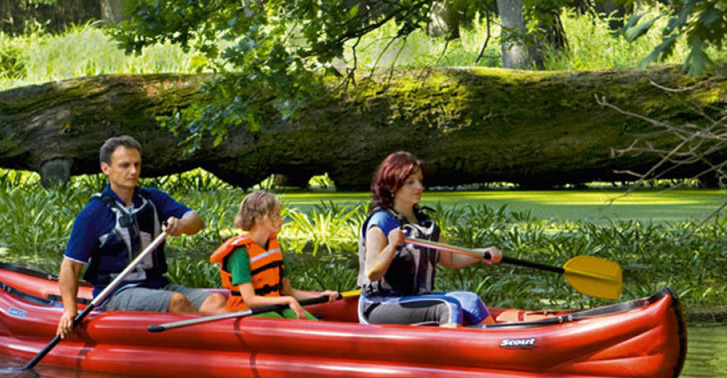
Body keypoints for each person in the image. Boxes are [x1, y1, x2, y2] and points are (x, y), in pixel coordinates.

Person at [56, 135, 226, 338]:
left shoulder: (153, 199)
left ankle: (234, 346)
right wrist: (70, 310)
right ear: (106, 168)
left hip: (157, 284)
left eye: (137, 165)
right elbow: (70, 266)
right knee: (177, 301)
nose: (133, 171)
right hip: (116, 293)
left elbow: (196, 221)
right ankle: (209, 347)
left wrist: (182, 225)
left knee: (216, 301)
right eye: (125, 165)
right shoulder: (93, 213)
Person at [357, 151, 502, 327]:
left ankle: (497, 342)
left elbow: (450, 258)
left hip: (415, 298)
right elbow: (372, 273)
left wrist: (482, 253)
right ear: (392, 186)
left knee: (471, 301)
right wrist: (392, 246)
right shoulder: (381, 221)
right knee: (447, 307)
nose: (419, 187)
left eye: (420, 181)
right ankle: (454, 344)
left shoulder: (424, 223)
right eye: (410, 182)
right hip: (379, 304)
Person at [210, 190, 339, 319]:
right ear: (258, 217)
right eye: (275, 215)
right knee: (284, 320)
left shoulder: (274, 247)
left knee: (311, 323)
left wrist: (321, 296)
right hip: (248, 311)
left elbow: (289, 292)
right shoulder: (240, 253)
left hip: (277, 306)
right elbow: (250, 300)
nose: (281, 219)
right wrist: (287, 300)